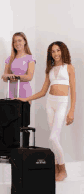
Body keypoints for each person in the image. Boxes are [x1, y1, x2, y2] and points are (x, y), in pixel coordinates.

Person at [16, 41, 76, 181]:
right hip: (50, 103)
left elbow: (73, 90)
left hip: (62, 103)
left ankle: (63, 168)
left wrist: (71, 110)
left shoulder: (69, 67)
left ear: (63, 51)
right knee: (53, 139)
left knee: (53, 138)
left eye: (58, 50)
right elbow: (43, 91)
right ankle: (55, 168)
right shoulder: (49, 70)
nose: (56, 54)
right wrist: (26, 98)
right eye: (53, 51)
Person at [2, 32, 35, 103]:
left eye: (19, 40)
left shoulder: (30, 58)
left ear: (25, 41)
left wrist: (12, 76)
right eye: (15, 41)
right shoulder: (9, 59)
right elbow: (4, 78)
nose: (17, 43)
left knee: (24, 113)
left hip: (25, 92)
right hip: (11, 92)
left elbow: (29, 77)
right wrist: (20, 77)